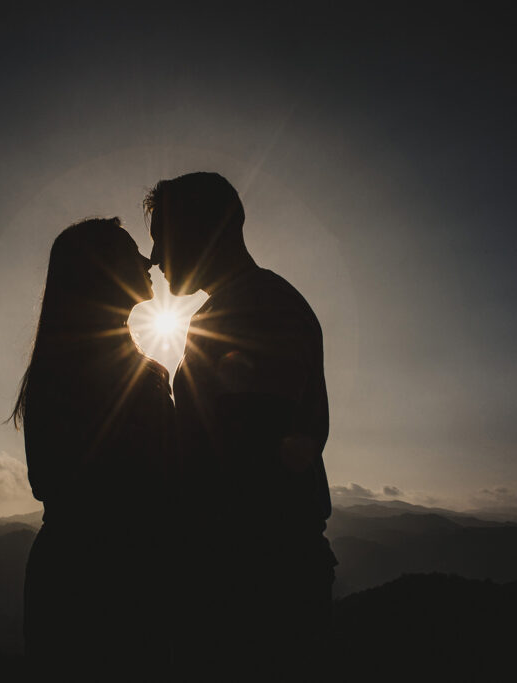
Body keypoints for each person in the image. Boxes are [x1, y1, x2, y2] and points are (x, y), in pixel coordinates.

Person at [145, 172, 336, 679]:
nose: (155, 258)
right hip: (254, 575)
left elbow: (251, 463)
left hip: (255, 585)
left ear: (201, 231)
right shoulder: (237, 307)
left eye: (161, 238)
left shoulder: (257, 309)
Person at [11, 217, 175, 681]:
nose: (148, 261)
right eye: (130, 253)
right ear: (101, 271)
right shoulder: (129, 376)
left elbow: (46, 480)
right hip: (116, 585)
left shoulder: (53, 371)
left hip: (70, 578)